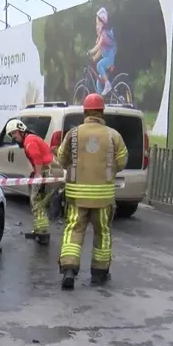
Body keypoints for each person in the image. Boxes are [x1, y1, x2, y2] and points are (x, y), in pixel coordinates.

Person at [57, 93, 127, 290]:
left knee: (73, 230)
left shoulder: (73, 134)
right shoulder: (113, 135)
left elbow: (61, 159)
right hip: (103, 197)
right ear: (102, 112)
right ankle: (99, 273)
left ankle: (69, 270)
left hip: (76, 196)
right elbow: (122, 161)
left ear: (85, 111)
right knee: (102, 232)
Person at [5, 119, 55, 245]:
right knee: (38, 201)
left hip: (47, 172)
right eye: (11, 135)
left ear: (21, 130)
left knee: (36, 201)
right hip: (49, 171)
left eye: (14, 133)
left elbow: (37, 157)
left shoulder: (29, 141)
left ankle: (42, 232)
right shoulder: (31, 139)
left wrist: (38, 175)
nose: (14, 137)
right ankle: (40, 230)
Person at [88, 7, 116, 96]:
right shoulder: (101, 35)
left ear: (102, 24)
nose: (96, 26)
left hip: (109, 59)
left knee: (99, 65)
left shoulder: (104, 35)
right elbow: (100, 51)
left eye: (97, 24)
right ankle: (100, 98)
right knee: (99, 80)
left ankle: (108, 85)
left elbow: (98, 46)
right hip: (107, 58)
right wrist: (94, 58)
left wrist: (90, 52)